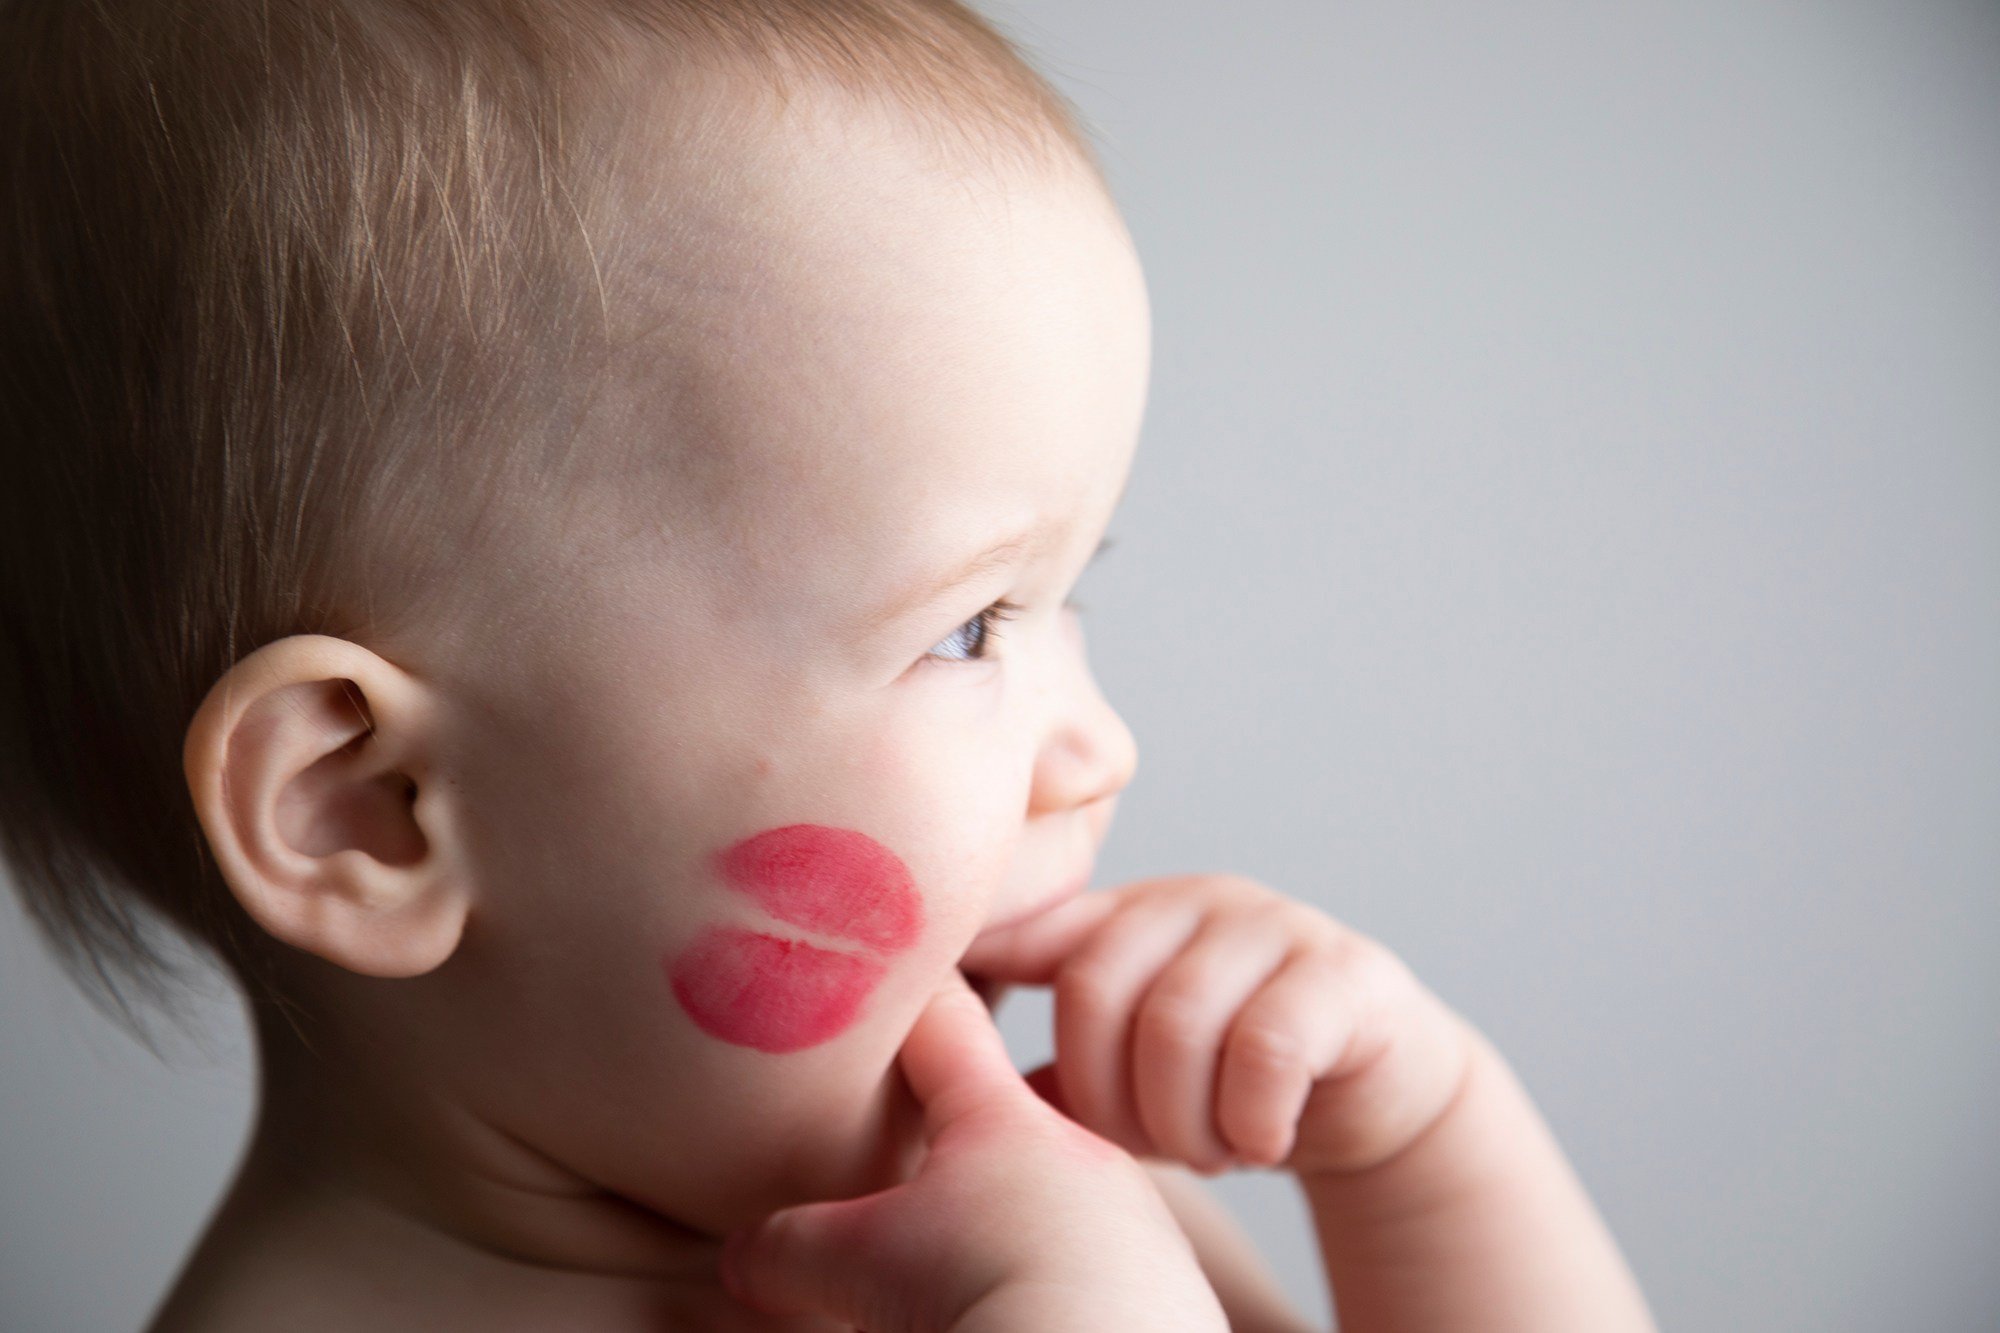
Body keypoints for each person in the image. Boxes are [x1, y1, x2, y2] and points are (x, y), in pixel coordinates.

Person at [0, 2, 1657, 1329]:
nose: (1097, 748)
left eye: (1068, 602)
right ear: (374, 808)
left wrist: (1424, 1148)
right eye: (967, 627)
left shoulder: (1020, 1197)